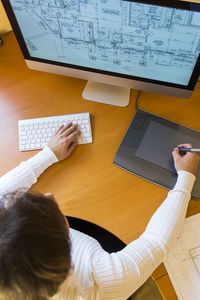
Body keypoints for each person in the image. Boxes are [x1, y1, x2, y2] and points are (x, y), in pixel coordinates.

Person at [0, 122, 199, 300]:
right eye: (51, 211)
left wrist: (49, 154)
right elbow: (157, 241)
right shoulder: (97, 282)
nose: (49, 196)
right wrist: (186, 176)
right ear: (65, 242)